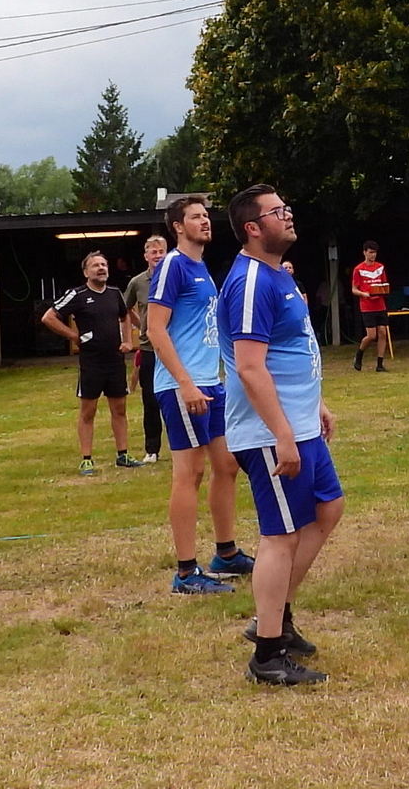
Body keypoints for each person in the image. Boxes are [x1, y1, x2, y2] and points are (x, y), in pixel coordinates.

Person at [219, 186, 342, 686]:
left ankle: (276, 616)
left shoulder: (276, 274)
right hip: (270, 431)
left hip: (297, 423)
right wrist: (283, 434)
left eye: (287, 208)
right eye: (277, 212)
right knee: (280, 535)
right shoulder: (251, 282)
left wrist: (315, 403)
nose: (288, 216)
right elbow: (249, 367)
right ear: (253, 227)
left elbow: (290, 350)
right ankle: (267, 655)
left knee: (328, 508)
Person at [146, 196, 254, 595]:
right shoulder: (172, 265)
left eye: (206, 216)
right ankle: (186, 572)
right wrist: (185, 382)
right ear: (178, 226)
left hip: (211, 382)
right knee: (189, 473)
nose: (205, 221)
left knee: (227, 464)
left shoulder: (201, 268)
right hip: (182, 386)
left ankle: (225, 553)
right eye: (195, 217)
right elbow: (155, 329)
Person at [41, 251, 139, 475]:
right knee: (88, 411)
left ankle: (123, 455)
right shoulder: (77, 295)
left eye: (104, 264)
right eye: (95, 265)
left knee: (119, 409)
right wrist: (73, 336)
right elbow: (48, 317)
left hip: (115, 361)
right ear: (86, 272)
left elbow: (125, 315)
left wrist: (127, 341)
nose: (101, 268)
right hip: (91, 363)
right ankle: (87, 459)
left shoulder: (115, 293)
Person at [123, 234, 169, 464]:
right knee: (150, 400)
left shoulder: (175, 277)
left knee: (178, 398)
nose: (158, 256)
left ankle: (187, 447)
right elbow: (124, 308)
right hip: (149, 349)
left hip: (175, 347)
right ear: (146, 255)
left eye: (161, 251)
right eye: (153, 252)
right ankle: (152, 449)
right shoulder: (137, 282)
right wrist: (141, 325)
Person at [352, 240, 390, 372]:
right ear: (365, 253)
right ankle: (359, 354)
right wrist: (363, 294)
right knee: (371, 335)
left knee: (383, 332)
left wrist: (383, 290)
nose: (373, 255)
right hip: (367, 306)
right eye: (370, 252)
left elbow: (384, 284)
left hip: (380, 305)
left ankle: (380, 364)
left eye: (375, 253)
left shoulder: (380, 267)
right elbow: (354, 289)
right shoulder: (358, 269)